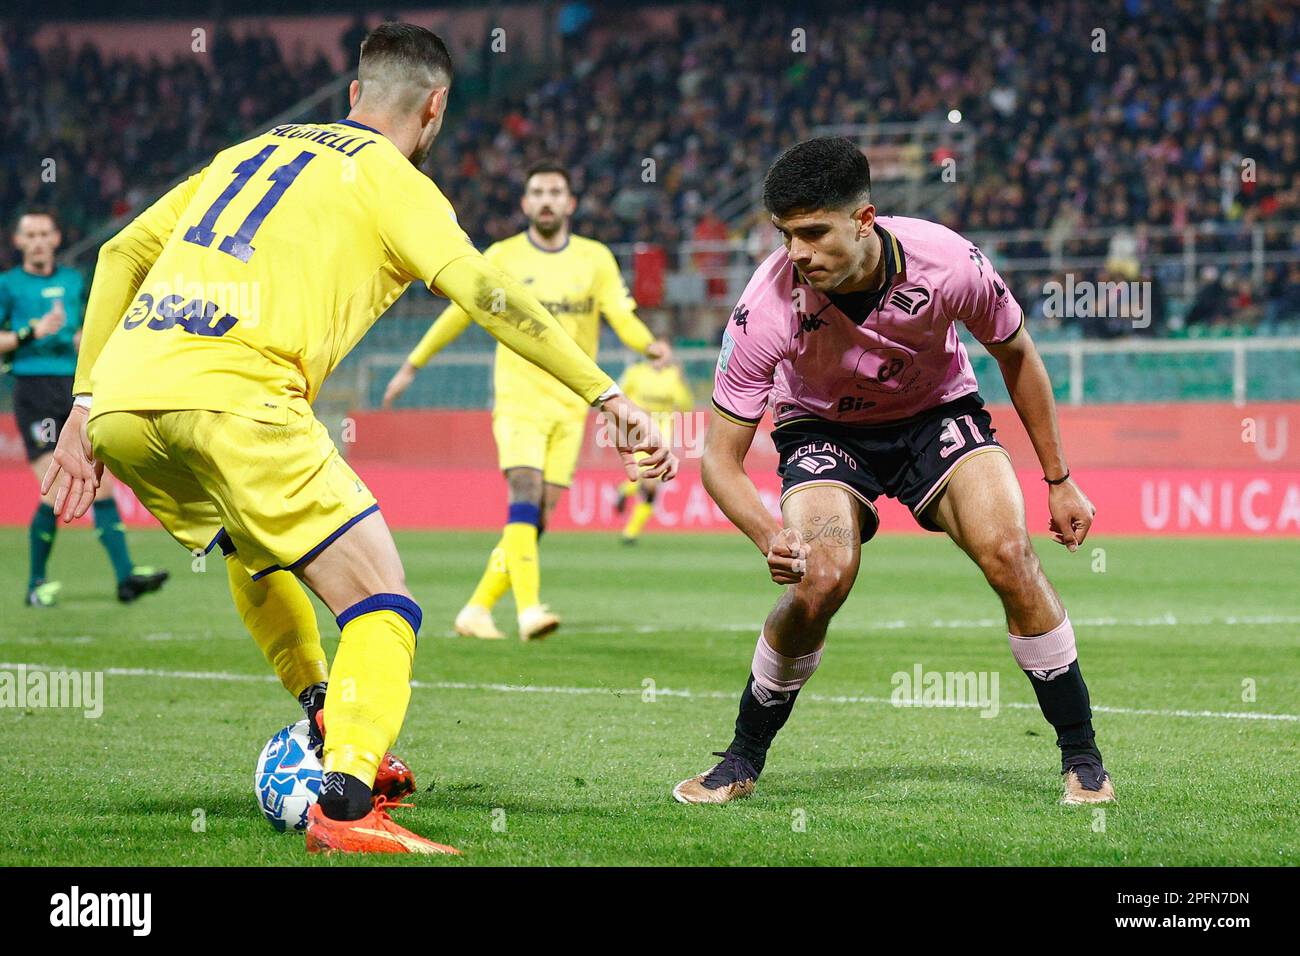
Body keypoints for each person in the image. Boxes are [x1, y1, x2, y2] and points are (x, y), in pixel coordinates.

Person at [43, 23, 675, 855]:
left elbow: (122, 250)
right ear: (436, 109)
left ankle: (322, 707)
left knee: (247, 544)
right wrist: (605, 393)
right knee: (384, 600)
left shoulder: (246, 151)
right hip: (240, 396)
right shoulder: (389, 176)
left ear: (352, 94)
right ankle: (343, 805)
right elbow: (487, 292)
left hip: (129, 404)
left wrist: (86, 404)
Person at [673, 137, 1111, 807]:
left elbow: (1016, 353)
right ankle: (740, 757)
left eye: (814, 232)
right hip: (822, 429)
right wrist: (767, 534)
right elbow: (719, 461)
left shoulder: (949, 263)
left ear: (864, 219)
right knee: (821, 577)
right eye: (786, 235)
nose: (797, 252)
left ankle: (1082, 759)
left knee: (1010, 554)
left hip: (937, 414)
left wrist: (1058, 478)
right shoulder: (764, 307)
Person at [382, 161, 668, 640]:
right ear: (525, 203)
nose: (547, 200)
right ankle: (529, 609)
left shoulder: (595, 259)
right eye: (538, 192)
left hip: (571, 405)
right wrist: (413, 364)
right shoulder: (503, 255)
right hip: (519, 399)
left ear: (571, 203)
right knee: (524, 493)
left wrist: (647, 345)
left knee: (539, 515)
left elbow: (620, 314)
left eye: (556, 191)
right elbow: (460, 312)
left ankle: (476, 609)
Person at [0, 209, 168, 606]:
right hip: (34, 390)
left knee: (101, 483)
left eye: (45, 233)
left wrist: (81, 340)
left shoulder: (73, 281)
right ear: (19, 243)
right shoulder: (8, 285)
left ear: (57, 238)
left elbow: (86, 330)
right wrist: (30, 333)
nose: (39, 240)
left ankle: (126, 579)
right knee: (54, 484)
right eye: (31, 234)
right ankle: (35, 585)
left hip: (75, 389)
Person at [615, 340, 694, 543]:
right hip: (638, 430)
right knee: (648, 481)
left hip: (663, 435)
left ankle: (629, 524)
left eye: (664, 353)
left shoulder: (673, 376)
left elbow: (685, 405)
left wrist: (683, 380)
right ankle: (629, 529)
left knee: (650, 486)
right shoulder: (636, 372)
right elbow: (619, 395)